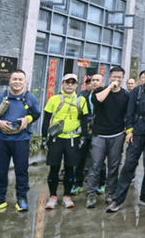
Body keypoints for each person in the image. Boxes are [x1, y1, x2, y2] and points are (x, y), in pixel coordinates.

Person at [106, 64, 145, 212]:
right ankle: (117, 199)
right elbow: (129, 112)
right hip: (139, 131)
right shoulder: (137, 91)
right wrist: (129, 131)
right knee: (129, 164)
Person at [0, 70, 40, 212]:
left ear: (25, 82)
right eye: (14, 79)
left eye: (20, 79)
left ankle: (22, 198)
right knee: (0, 170)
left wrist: (27, 119)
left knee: (22, 170)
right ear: (9, 81)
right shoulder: (1, 97)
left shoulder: (30, 98)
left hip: (21, 139)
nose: (17, 82)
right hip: (2, 139)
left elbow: (36, 113)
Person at [40, 74, 90, 209]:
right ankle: (53, 196)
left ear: (77, 85)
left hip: (72, 139)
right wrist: (44, 138)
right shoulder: (54, 99)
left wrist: (83, 137)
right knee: (54, 168)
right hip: (56, 138)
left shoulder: (81, 100)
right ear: (62, 83)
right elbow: (46, 120)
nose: (70, 85)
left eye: (73, 83)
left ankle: (67, 196)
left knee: (70, 168)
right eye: (67, 82)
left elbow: (84, 120)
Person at [85, 66, 129, 208]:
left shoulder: (126, 95)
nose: (117, 79)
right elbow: (97, 101)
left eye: (119, 77)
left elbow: (128, 114)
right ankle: (91, 194)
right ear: (109, 77)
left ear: (123, 78)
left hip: (117, 134)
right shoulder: (99, 91)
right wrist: (110, 87)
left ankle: (110, 192)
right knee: (95, 165)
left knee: (114, 166)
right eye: (114, 76)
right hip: (99, 134)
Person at [73, 74, 103, 195]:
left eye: (96, 81)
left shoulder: (104, 95)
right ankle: (78, 183)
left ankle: (101, 183)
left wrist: (93, 124)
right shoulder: (82, 96)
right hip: (84, 131)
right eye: (90, 82)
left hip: (99, 130)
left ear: (101, 83)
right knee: (80, 158)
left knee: (99, 159)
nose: (93, 83)